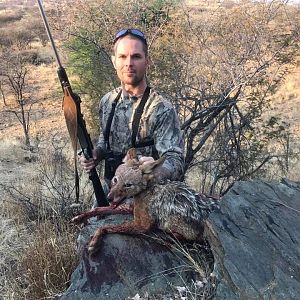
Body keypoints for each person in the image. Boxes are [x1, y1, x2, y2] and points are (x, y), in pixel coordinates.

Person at [79, 28, 184, 198]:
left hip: (148, 197)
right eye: (122, 57)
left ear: (147, 61)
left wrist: (157, 170)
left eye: (136, 56)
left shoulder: (161, 108)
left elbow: (175, 161)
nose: (129, 63)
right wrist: (94, 156)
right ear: (114, 61)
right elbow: (104, 142)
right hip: (112, 191)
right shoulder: (107, 101)